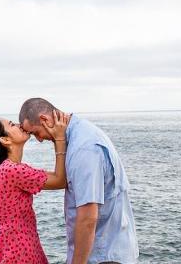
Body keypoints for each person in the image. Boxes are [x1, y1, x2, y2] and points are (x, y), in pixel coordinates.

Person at [19, 98, 138, 264]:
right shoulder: (81, 133)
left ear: (45, 120)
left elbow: (88, 218)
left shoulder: (84, 149)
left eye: (35, 133)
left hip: (103, 257)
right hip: (108, 251)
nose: (38, 139)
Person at [0, 111, 70, 264]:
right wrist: (59, 137)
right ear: (5, 139)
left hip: (13, 246)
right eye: (11, 125)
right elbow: (60, 180)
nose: (18, 125)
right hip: (22, 250)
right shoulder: (12, 170)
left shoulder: (5, 169)